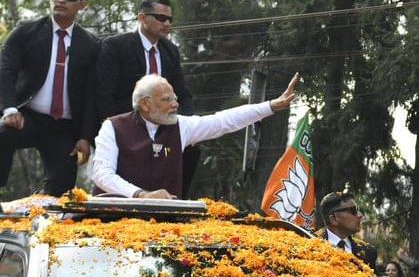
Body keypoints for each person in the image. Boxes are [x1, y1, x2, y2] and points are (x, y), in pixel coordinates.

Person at [91, 73, 297, 199]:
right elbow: (102, 174)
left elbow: (223, 121)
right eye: (167, 99)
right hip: (113, 221)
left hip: (164, 226)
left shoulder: (181, 126)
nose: (175, 104)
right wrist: (141, 195)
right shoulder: (113, 126)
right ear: (145, 104)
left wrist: (271, 106)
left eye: (175, 98)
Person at [0, 0, 100, 195]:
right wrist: (9, 109)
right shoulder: (26, 31)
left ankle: (45, 223)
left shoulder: (92, 45)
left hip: (63, 128)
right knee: (2, 132)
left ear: (82, 5)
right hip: (26, 117)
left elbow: (92, 95)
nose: (62, 0)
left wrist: (85, 137)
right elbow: (5, 70)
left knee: (61, 193)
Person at [95, 0, 201, 196]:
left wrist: (187, 123)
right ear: (142, 18)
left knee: (192, 149)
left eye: (170, 19)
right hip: (126, 125)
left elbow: (182, 93)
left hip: (161, 124)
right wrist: (113, 128)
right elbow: (104, 93)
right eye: (161, 18)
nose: (167, 23)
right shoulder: (116, 45)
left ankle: (176, 202)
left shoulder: (170, 51)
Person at [317, 191, 378, 269]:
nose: (360, 215)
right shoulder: (307, 244)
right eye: (353, 211)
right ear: (333, 219)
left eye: (358, 209)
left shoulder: (368, 253)